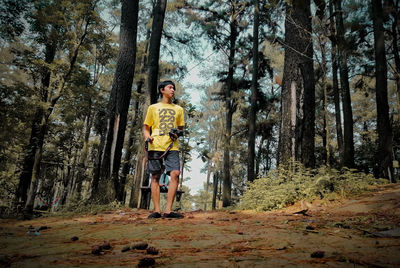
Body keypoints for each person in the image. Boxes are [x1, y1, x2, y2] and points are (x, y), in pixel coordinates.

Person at [143, 80, 185, 219]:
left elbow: (181, 128)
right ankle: (156, 210)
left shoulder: (178, 109)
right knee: (155, 176)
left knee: (175, 173)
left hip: (172, 146)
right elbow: (146, 127)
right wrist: (147, 137)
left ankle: (168, 211)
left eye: (174, 88)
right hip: (155, 145)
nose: (173, 90)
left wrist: (177, 133)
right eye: (170, 87)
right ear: (162, 90)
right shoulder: (153, 108)